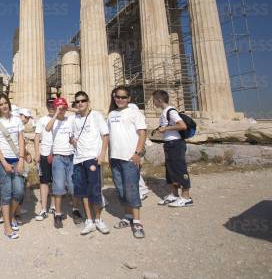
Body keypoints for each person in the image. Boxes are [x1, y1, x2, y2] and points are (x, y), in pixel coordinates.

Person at [108, 86, 147, 239]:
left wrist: (138, 153)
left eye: (123, 97)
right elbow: (110, 135)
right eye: (117, 97)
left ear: (129, 98)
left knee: (132, 189)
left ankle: (137, 222)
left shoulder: (134, 112)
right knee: (121, 189)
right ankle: (127, 216)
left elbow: (142, 133)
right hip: (115, 157)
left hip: (130, 157)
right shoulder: (111, 114)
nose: (120, 99)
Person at [71, 91, 110, 235]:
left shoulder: (96, 116)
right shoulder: (74, 119)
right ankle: (89, 220)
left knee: (95, 190)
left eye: (83, 100)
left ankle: (98, 219)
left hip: (92, 158)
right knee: (83, 191)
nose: (80, 103)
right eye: (77, 101)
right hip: (78, 159)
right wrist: (72, 140)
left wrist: (102, 155)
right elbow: (73, 137)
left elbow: (105, 135)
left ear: (88, 102)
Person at [0, 94, 25, 239]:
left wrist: (21, 159)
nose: (4, 106)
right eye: (0, 104)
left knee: (19, 191)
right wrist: (4, 163)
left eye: (5, 103)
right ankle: (7, 227)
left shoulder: (17, 120)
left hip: (17, 159)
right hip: (2, 161)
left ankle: (10, 217)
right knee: (6, 192)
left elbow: (21, 140)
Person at [152, 90, 193, 207]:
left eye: (154, 100)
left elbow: (182, 125)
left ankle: (186, 197)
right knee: (170, 171)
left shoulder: (171, 111)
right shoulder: (164, 112)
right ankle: (174, 194)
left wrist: (166, 129)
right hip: (169, 144)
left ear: (159, 100)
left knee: (180, 169)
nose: (153, 103)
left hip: (176, 144)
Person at [46, 97, 76, 229]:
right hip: (58, 157)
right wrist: (56, 113)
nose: (62, 110)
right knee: (58, 187)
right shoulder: (53, 121)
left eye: (63, 108)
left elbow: (82, 112)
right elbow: (47, 128)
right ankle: (58, 214)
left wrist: (68, 107)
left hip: (71, 156)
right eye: (59, 107)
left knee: (73, 185)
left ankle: (75, 209)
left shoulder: (71, 119)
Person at [34, 99, 55, 221]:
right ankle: (43, 209)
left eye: (54, 105)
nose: (51, 107)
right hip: (44, 154)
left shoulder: (63, 119)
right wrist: (37, 153)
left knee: (56, 181)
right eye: (49, 104)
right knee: (44, 181)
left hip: (58, 154)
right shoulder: (42, 120)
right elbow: (37, 137)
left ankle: (53, 205)